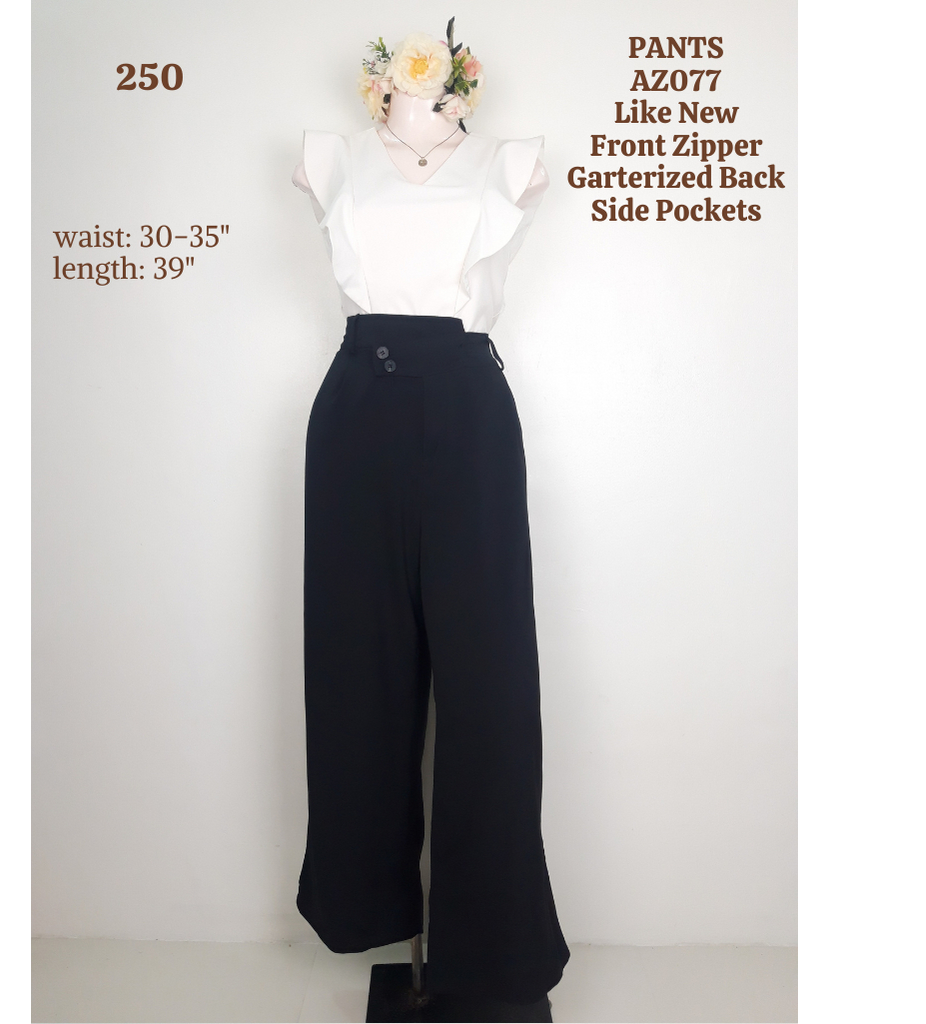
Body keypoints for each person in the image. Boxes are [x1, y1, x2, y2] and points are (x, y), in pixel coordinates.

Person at [292, 22, 570, 1014]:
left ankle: (492, 952)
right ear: (387, 85)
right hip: (356, 410)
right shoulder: (331, 158)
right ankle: (370, 903)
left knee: (490, 681)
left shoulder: (509, 160)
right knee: (356, 665)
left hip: (465, 405)